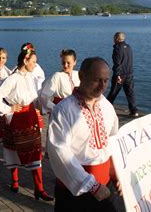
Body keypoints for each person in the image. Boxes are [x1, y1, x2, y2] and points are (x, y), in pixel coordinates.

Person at [47, 57, 120, 211]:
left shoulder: (107, 107)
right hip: (75, 191)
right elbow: (59, 153)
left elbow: (113, 142)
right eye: (97, 80)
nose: (102, 86)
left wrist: (117, 174)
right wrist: (91, 185)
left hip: (105, 187)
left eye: (106, 81)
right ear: (81, 76)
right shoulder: (63, 110)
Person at [0, 45, 53, 201]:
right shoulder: (12, 79)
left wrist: (40, 108)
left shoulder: (30, 77)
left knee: (34, 150)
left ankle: (39, 189)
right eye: (33, 61)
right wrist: (8, 108)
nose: (35, 65)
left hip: (30, 115)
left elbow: (35, 96)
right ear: (25, 60)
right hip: (16, 117)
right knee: (13, 150)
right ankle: (15, 182)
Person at [107, 32, 139, 117]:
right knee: (130, 93)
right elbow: (129, 61)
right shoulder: (128, 47)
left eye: (114, 38)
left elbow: (117, 63)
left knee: (113, 92)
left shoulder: (117, 49)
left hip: (120, 75)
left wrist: (117, 75)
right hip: (129, 74)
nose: (113, 40)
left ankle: (105, 108)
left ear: (117, 38)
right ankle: (134, 111)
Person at [40, 49, 80, 114]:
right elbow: (44, 95)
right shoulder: (57, 76)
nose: (65, 65)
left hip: (76, 111)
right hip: (61, 111)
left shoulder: (78, 75)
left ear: (74, 62)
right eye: (63, 62)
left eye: (68, 63)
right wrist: (54, 108)